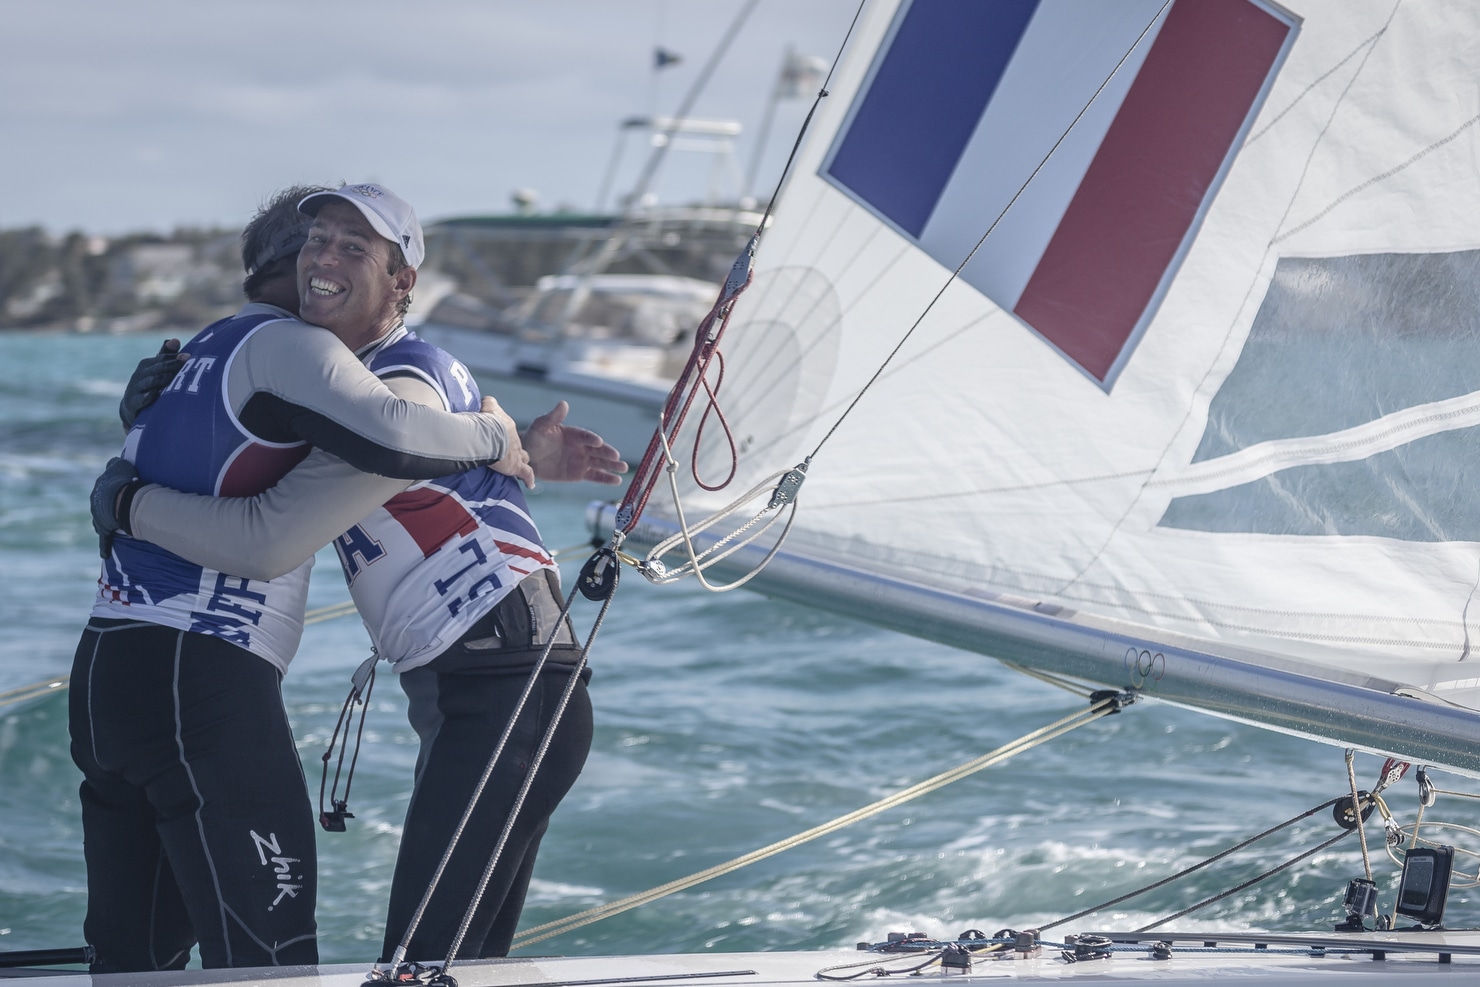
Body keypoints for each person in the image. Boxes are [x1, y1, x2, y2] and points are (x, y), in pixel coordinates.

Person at [93, 183, 625, 961]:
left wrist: (125, 502)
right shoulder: (340, 384)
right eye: (318, 241)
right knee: (454, 966)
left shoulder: (399, 380)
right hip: (487, 689)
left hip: (507, 685)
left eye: (355, 247)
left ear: (402, 282)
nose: (324, 259)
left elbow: (366, 457)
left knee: (419, 965)